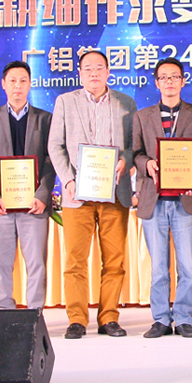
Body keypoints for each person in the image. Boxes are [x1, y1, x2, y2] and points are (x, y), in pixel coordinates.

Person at [48, 50, 137, 339]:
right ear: (80, 73)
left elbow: (133, 145)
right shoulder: (65, 102)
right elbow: (55, 145)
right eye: (88, 68)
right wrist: (68, 180)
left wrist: (125, 160)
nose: (94, 73)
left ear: (109, 71)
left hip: (114, 193)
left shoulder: (126, 102)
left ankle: (109, 317)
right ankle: (76, 319)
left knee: (114, 260)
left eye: (99, 67)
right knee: (75, 261)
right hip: (77, 195)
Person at [131, 58, 192, 339]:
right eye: (164, 77)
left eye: (175, 77)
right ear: (156, 83)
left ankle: (184, 318)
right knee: (159, 267)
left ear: (183, 81)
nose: (169, 82)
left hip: (185, 201)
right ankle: (161, 319)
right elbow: (135, 153)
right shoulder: (142, 116)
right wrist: (147, 164)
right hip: (154, 200)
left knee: (187, 266)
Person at [0, 60, 55, 310]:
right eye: (12, 81)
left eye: (23, 81)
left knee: (36, 264)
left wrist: (42, 194)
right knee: (1, 264)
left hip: (34, 205)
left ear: (30, 84)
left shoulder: (45, 118)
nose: (17, 86)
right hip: (1, 205)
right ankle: (3, 311)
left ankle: (35, 313)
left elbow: (50, 160)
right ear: (3, 84)